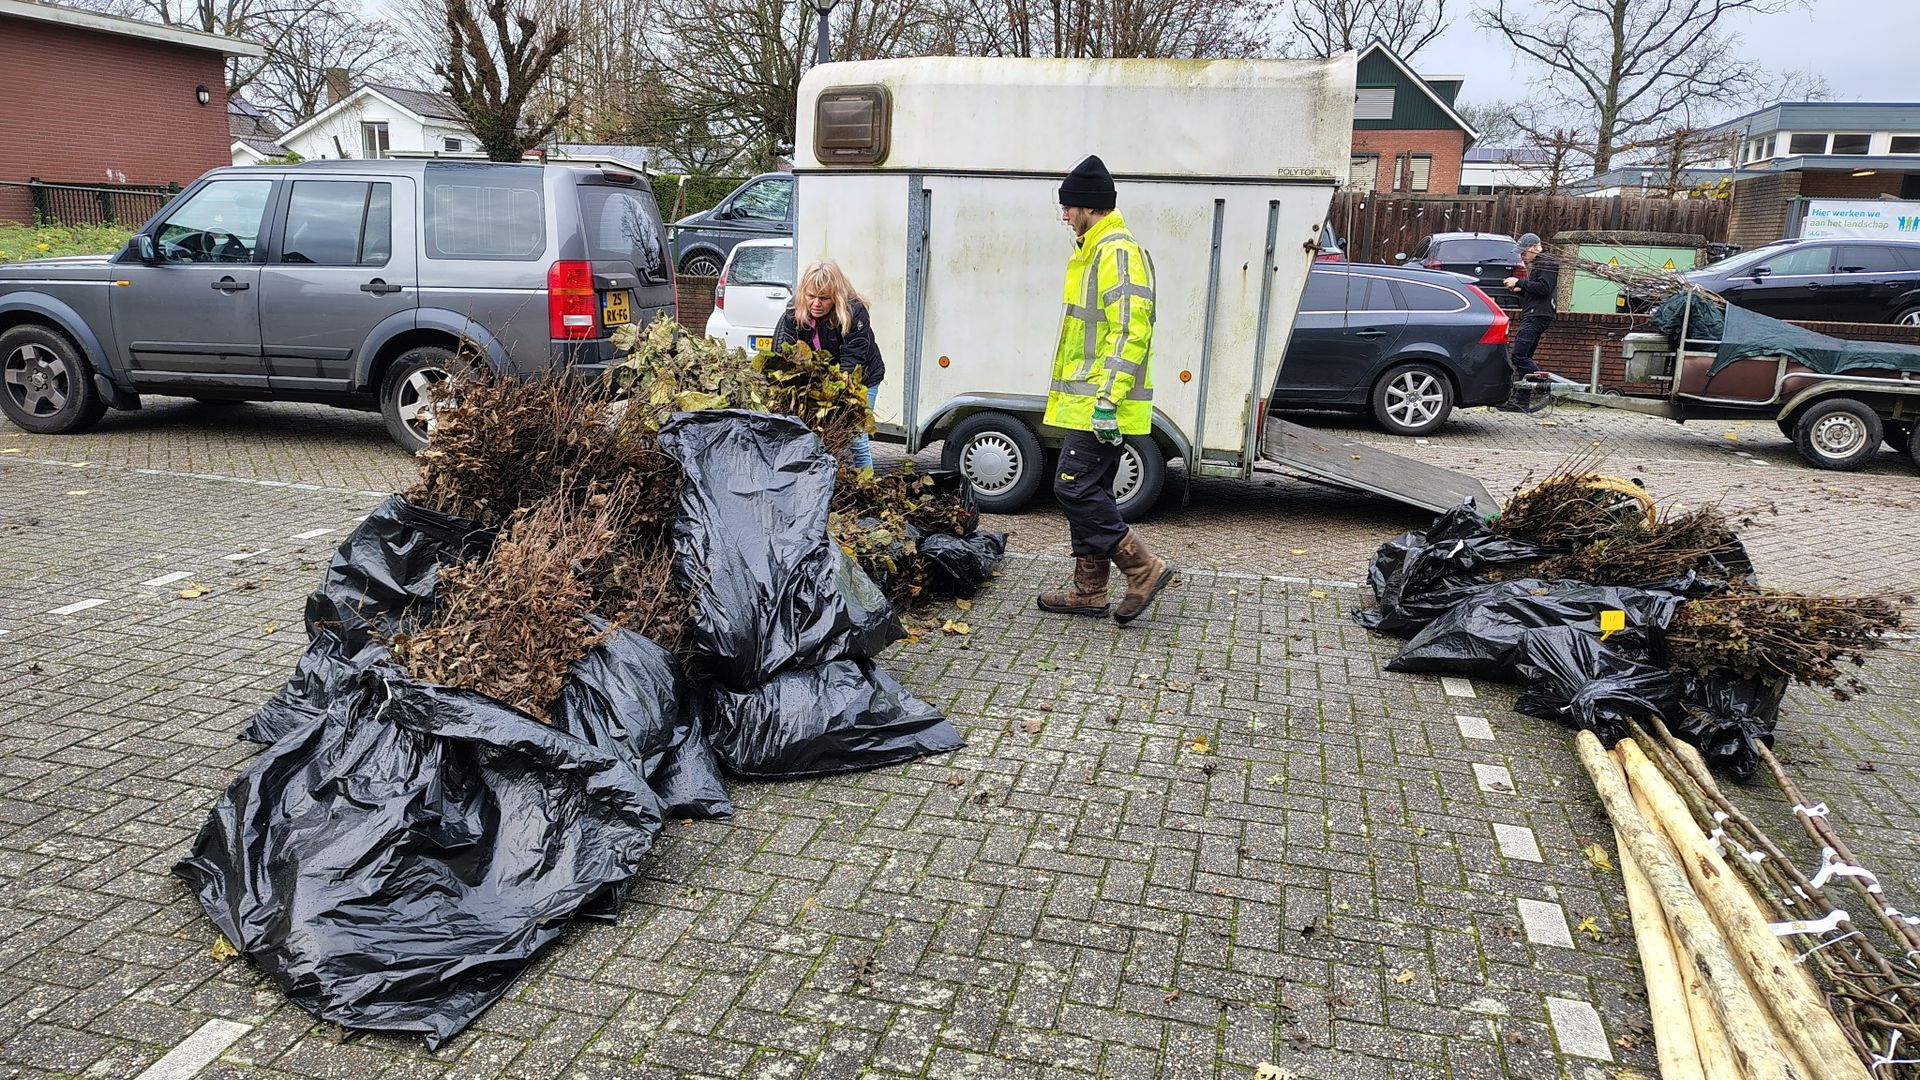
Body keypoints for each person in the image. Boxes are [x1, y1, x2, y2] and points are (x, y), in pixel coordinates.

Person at [1034, 155, 1175, 626]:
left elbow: (1131, 330)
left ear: (1089, 207)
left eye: (1068, 206)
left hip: (1101, 405)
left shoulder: (1115, 250)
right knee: (1090, 488)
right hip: (1089, 403)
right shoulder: (1093, 248)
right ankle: (1089, 591)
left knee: (1072, 487)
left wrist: (1108, 401)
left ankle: (1143, 567)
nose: (1064, 215)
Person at [775, 259, 885, 470]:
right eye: (811, 296)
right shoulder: (793, 311)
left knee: (856, 436)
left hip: (862, 377)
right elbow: (784, 353)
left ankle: (867, 486)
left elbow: (853, 359)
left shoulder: (854, 311)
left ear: (835, 297)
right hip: (822, 377)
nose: (816, 303)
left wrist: (838, 396)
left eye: (824, 298)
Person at [1502, 233, 1557, 403]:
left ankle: (1542, 385)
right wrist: (1521, 290)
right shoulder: (1540, 263)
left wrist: (1519, 283)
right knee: (1525, 357)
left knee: (1518, 356)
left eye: (1524, 253)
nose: (1522, 257)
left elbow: (1544, 288)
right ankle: (1522, 400)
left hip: (1537, 315)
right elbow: (1536, 290)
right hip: (1535, 313)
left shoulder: (1547, 263)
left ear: (1534, 247)